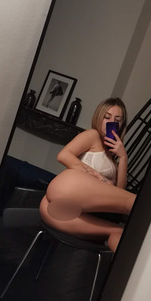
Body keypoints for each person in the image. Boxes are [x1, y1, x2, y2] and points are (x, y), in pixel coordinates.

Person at [39, 97, 136, 252]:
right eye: (107, 117)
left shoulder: (113, 157)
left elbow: (118, 193)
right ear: (99, 117)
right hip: (66, 197)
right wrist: (99, 177)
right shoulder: (93, 135)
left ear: (121, 125)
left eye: (117, 120)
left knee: (119, 231)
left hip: (79, 210)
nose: (111, 122)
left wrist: (123, 157)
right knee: (134, 205)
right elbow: (63, 155)